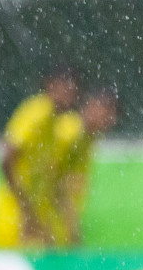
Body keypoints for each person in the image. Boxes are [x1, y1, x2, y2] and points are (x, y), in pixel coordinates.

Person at [0, 66, 81, 249]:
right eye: (64, 87)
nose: (69, 94)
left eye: (73, 90)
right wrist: (24, 208)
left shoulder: (54, 121)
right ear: (49, 85)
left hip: (31, 216)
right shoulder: (37, 112)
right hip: (13, 214)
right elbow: (6, 157)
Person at [49, 87, 119, 247]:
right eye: (107, 111)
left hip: (57, 225)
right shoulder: (69, 132)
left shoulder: (86, 139)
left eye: (114, 114)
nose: (111, 119)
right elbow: (49, 179)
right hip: (44, 225)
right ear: (91, 105)